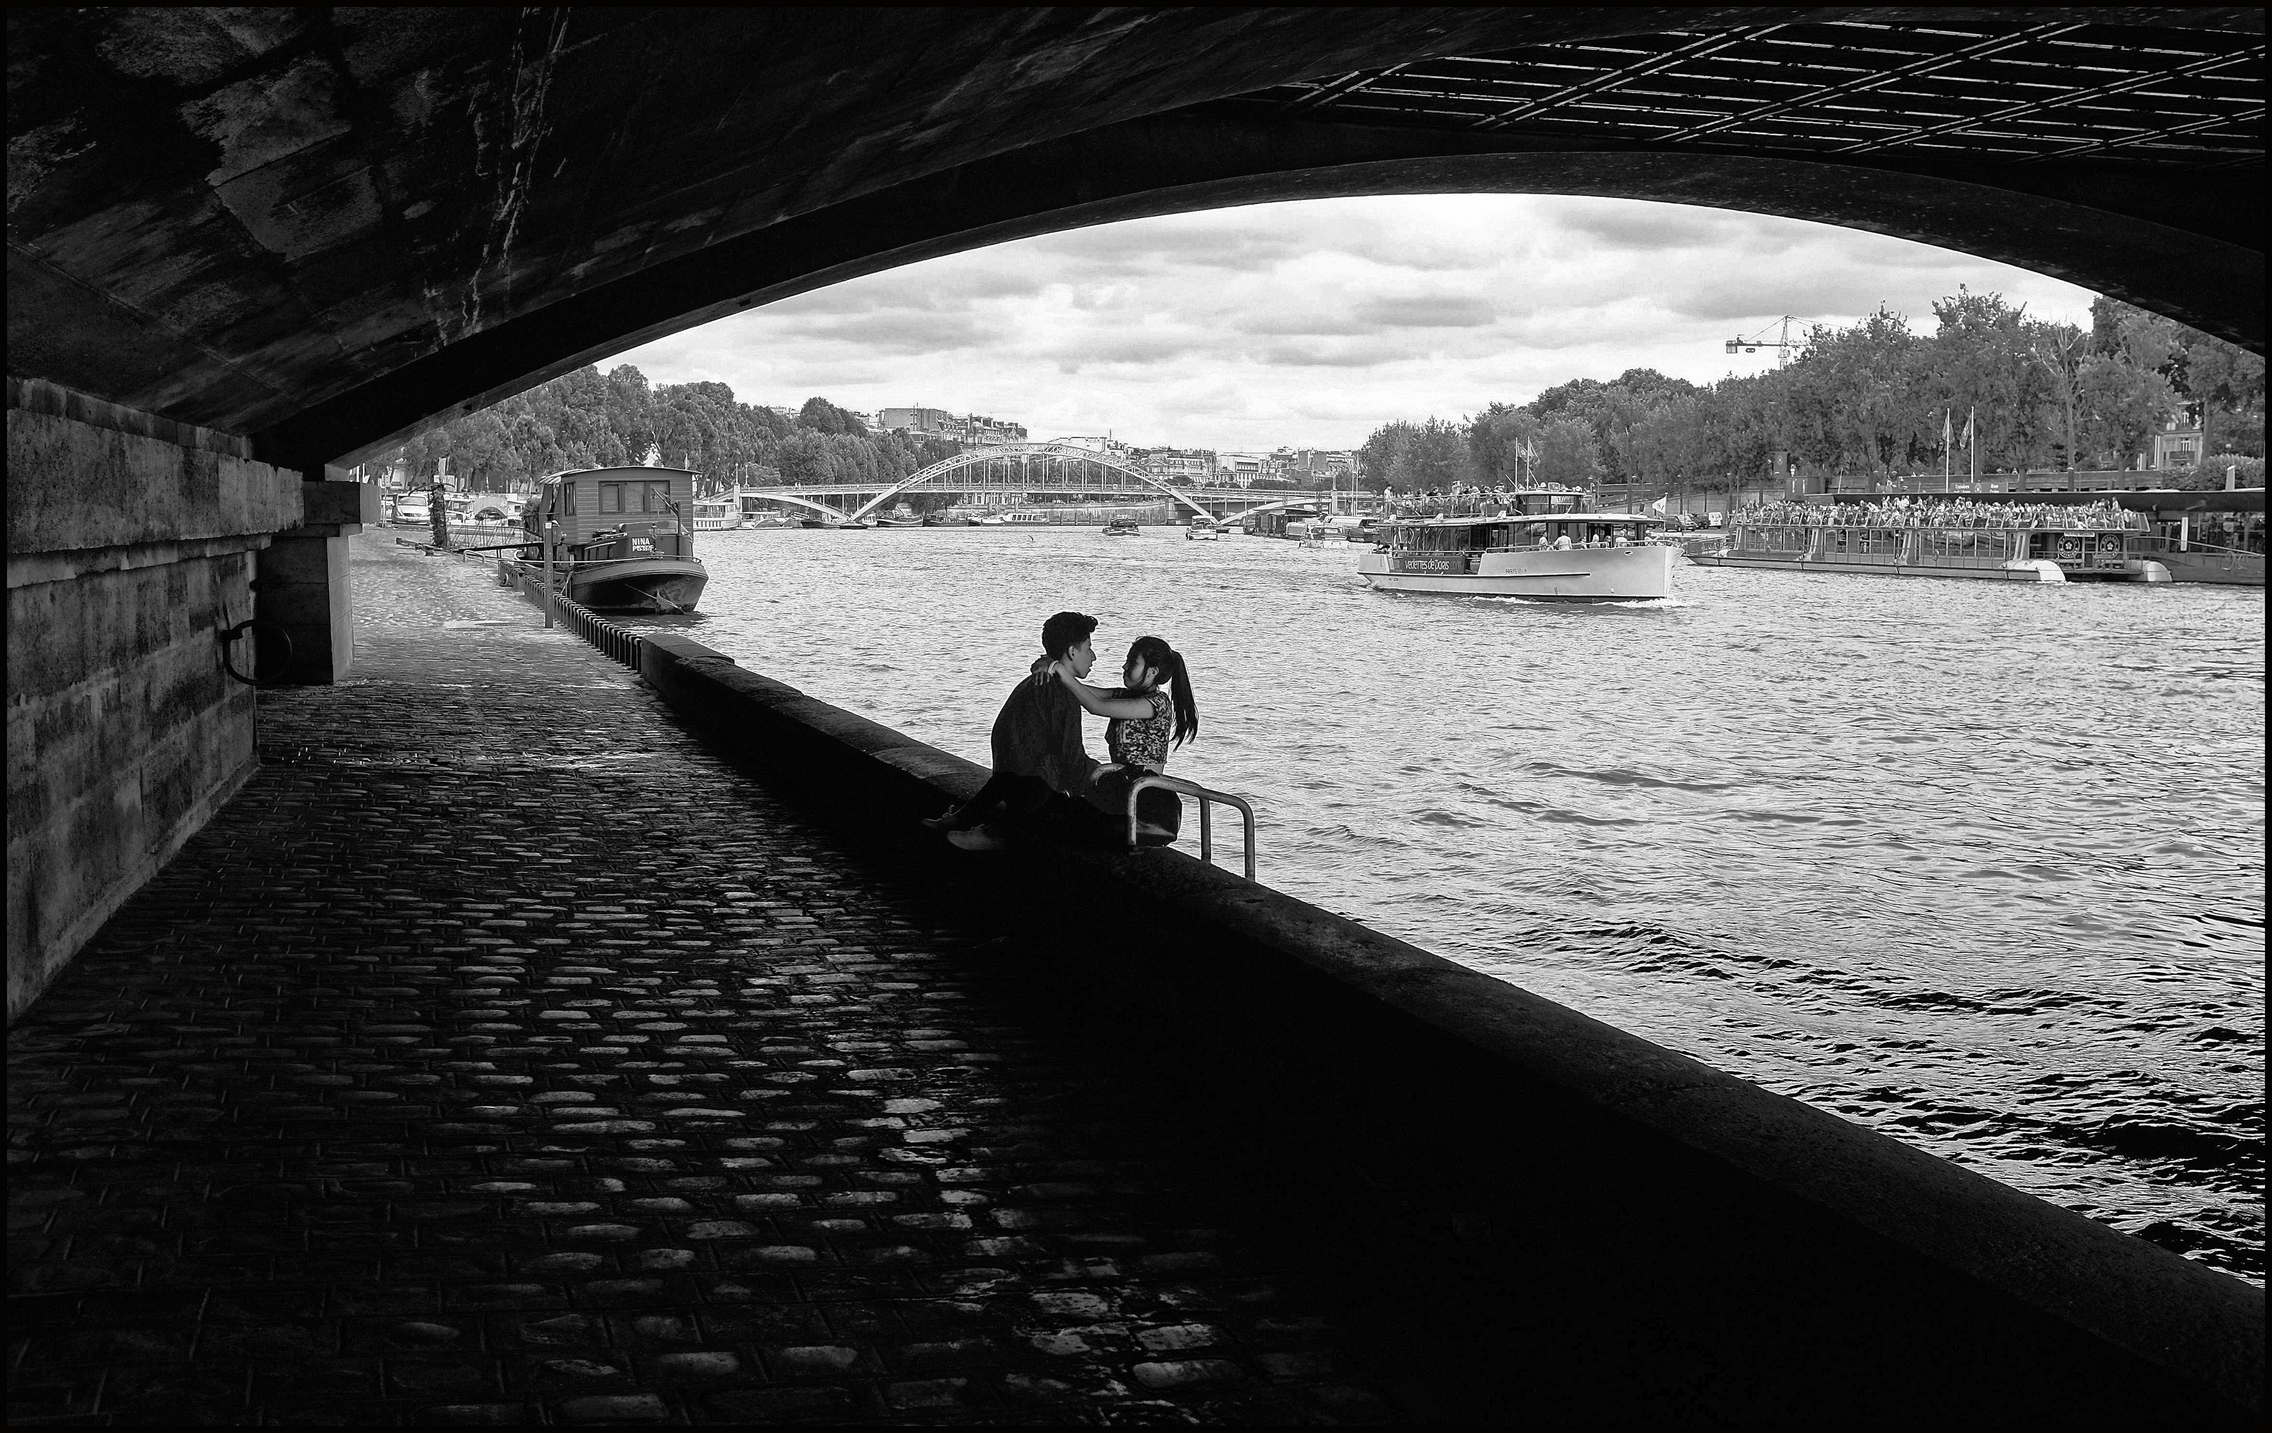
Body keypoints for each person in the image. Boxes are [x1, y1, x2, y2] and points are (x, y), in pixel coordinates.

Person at [924, 612, 1105, 851]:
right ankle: (995, 831)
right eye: (1088, 648)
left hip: (1007, 778)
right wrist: (1098, 778)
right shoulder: (1062, 693)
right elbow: (1070, 755)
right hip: (1030, 790)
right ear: (1072, 652)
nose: (1093, 656)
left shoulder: (1033, 683)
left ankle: (963, 817)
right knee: (1076, 790)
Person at [1050, 635, 1199, 844]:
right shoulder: (1127, 695)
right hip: (1123, 787)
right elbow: (1086, 693)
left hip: (1143, 797)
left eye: (1133, 663)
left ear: (1152, 672)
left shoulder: (1156, 704)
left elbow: (1096, 706)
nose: (1125, 666)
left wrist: (1061, 671)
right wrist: (1054, 672)